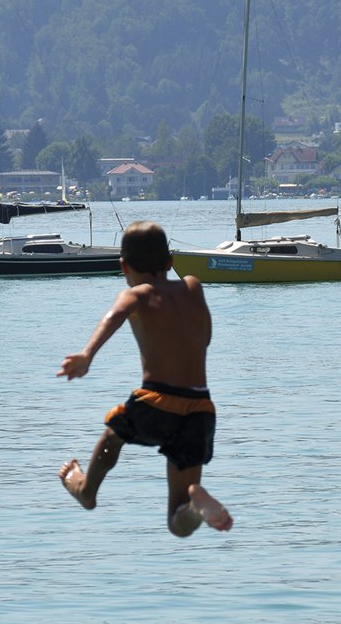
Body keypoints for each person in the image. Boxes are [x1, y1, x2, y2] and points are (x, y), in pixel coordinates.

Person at [57, 221, 233, 537]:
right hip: (200, 406)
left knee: (114, 435)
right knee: (177, 523)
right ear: (170, 262)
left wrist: (87, 355)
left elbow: (114, 316)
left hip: (159, 400)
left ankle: (86, 489)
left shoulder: (135, 294)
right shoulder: (193, 286)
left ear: (123, 265)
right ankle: (193, 506)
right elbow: (205, 335)